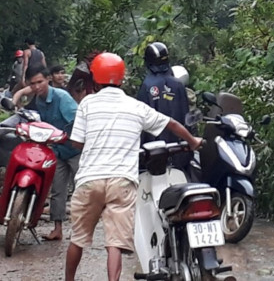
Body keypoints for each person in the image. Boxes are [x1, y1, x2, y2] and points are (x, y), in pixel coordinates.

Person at [64, 52, 202, 281]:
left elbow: (77, 142)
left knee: (78, 239)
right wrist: (193, 141)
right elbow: (173, 123)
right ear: (122, 79)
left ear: (95, 79)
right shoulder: (135, 106)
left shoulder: (87, 103)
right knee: (115, 244)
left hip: (90, 179)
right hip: (122, 180)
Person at [26, 65, 81, 241]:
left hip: (74, 149)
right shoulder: (37, 101)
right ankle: (57, 228)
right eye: (33, 83)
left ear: (48, 80)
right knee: (58, 190)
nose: (36, 87)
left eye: (40, 82)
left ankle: (83, 229)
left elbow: (77, 120)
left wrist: (74, 139)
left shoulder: (62, 98)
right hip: (56, 151)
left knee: (82, 189)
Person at [136, 42, 191, 169]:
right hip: (179, 151)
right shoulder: (178, 85)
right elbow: (187, 118)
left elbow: (141, 123)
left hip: (154, 153)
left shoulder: (147, 86)